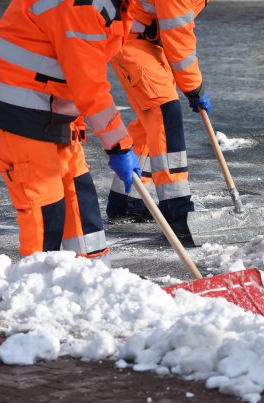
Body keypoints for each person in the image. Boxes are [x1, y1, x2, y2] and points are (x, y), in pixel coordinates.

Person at [0, 0, 141, 266]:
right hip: (13, 110)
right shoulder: (82, 7)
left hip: (48, 107)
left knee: (79, 194)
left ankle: (94, 273)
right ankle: (39, 284)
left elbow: (73, 64)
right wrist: (119, 146)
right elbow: (89, 84)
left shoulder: (119, 5)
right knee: (46, 207)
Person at [105, 0, 211, 238]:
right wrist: (194, 87)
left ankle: (126, 199)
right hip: (129, 38)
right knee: (164, 113)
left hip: (146, 40)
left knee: (150, 120)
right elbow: (178, 36)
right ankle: (177, 209)